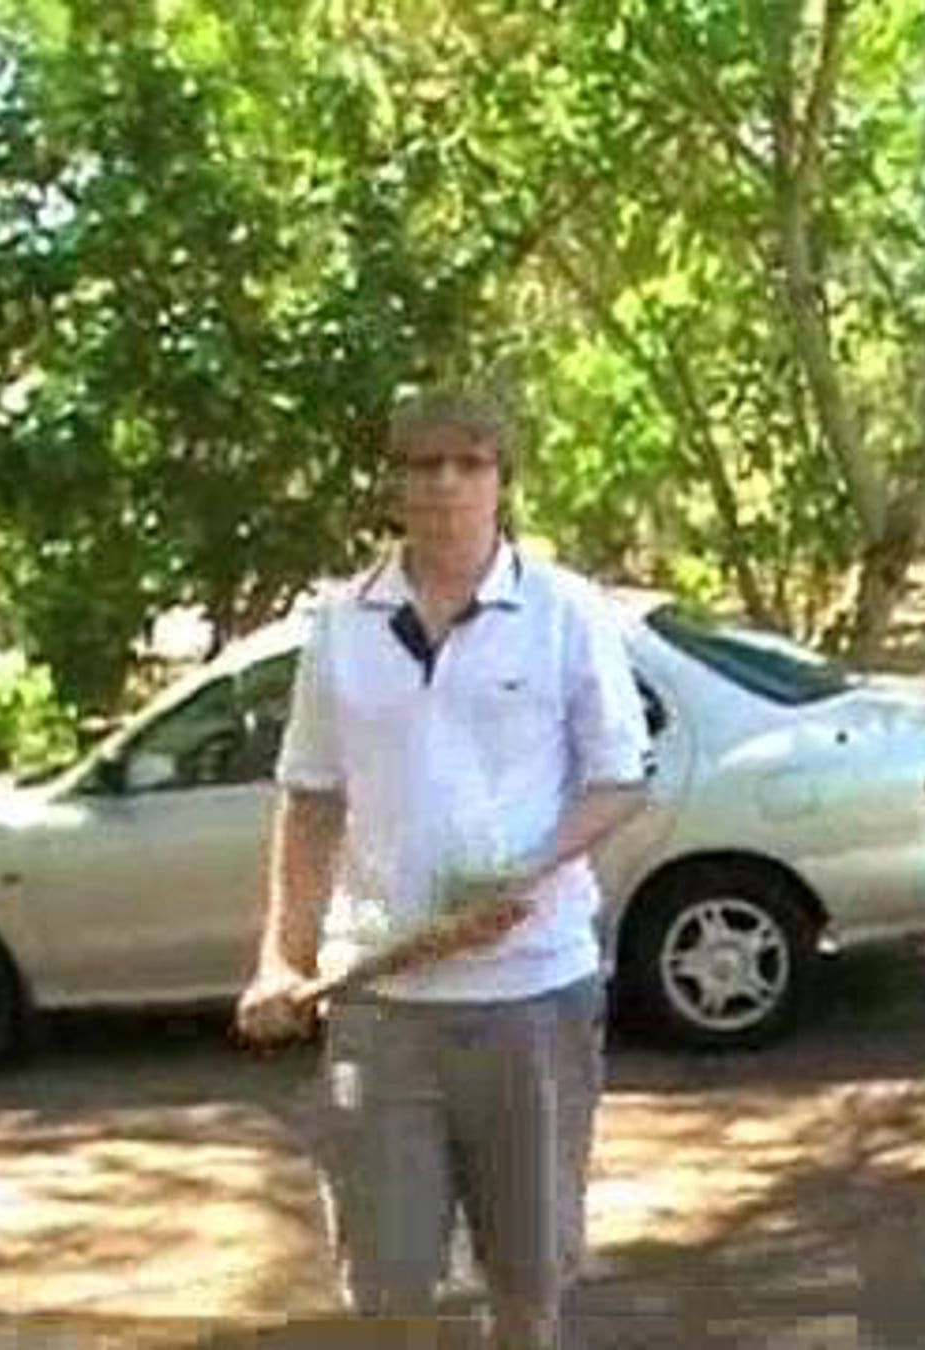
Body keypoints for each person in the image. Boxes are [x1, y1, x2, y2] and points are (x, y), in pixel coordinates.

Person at [236, 390, 652, 1349]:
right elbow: (311, 799)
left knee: (528, 1280)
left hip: (534, 995)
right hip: (380, 1005)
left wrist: (525, 872)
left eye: (470, 463)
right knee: (389, 1288)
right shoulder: (342, 623)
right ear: (395, 485)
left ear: (503, 481)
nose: (446, 483)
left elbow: (620, 780)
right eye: (423, 464)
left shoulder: (564, 611)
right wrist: (279, 960)